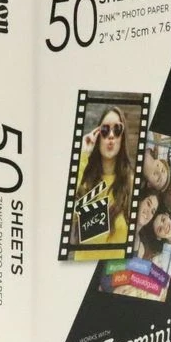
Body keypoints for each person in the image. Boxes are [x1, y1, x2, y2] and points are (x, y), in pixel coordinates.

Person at [71, 106, 133, 260]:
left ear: (122, 137)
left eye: (117, 130)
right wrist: (83, 154)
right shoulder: (84, 179)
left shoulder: (130, 184)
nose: (111, 135)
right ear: (98, 136)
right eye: (105, 130)